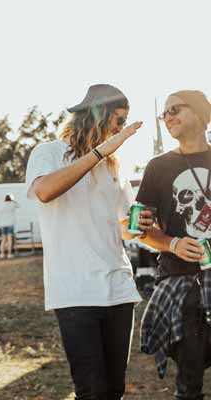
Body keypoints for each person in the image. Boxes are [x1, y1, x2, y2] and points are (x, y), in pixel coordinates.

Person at [26, 84, 145, 400]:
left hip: (119, 288)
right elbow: (44, 191)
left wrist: (140, 224)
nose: (121, 130)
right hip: (76, 291)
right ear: (96, 115)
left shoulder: (114, 166)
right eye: (119, 120)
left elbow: (125, 227)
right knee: (92, 390)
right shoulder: (49, 152)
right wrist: (99, 153)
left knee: (114, 390)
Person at [137, 90, 211, 400]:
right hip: (182, 283)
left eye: (175, 109)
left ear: (200, 114)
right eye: (164, 113)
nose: (168, 117)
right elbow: (139, 228)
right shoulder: (158, 166)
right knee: (189, 383)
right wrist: (172, 243)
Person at [0, 194, 19, 259]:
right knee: (10, 239)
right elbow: (19, 205)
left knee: (3, 240)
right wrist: (14, 201)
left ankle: (2, 254)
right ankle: (9, 254)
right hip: (10, 224)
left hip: (3, 224)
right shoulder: (12, 204)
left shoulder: (2, 204)